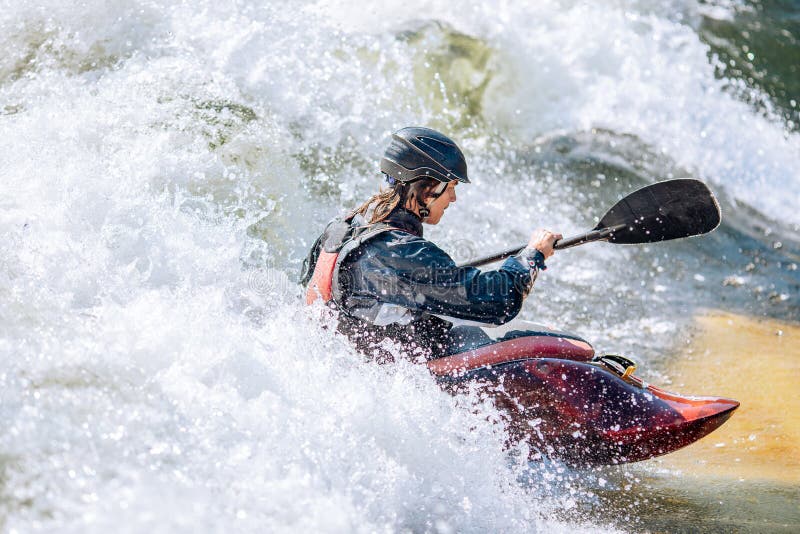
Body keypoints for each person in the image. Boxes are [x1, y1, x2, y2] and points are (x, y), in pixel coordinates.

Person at [301, 127, 561, 361]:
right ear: (428, 187)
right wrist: (533, 255)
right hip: (399, 378)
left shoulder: (344, 227)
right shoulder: (400, 251)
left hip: (351, 360)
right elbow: (498, 302)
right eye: (450, 187)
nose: (454, 198)